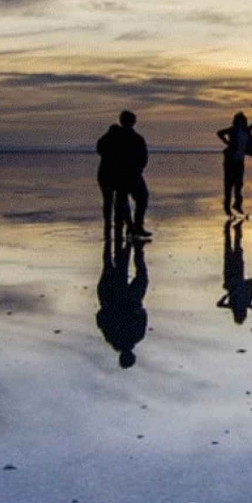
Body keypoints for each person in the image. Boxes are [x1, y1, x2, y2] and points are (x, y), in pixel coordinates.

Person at [96, 230, 149, 368]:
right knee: (114, 265)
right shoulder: (115, 338)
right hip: (120, 299)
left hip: (120, 299)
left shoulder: (135, 336)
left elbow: (143, 315)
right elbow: (100, 319)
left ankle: (135, 248)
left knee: (139, 275)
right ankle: (130, 246)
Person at [95, 109, 150, 238]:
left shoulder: (127, 137)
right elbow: (143, 158)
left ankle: (130, 227)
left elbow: (143, 159)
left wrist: (137, 169)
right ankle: (129, 227)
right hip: (118, 175)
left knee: (122, 201)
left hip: (120, 175)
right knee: (121, 201)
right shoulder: (120, 136)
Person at [216, 102, 252, 217]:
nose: (242, 122)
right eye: (240, 120)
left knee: (239, 184)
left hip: (240, 161)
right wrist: (227, 142)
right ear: (236, 121)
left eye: (243, 120)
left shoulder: (246, 130)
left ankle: (237, 205)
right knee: (229, 184)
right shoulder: (233, 130)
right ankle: (227, 207)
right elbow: (219, 133)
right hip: (230, 161)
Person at [216, 219, 252, 329]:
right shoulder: (242, 305)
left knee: (231, 249)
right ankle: (236, 228)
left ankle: (229, 228)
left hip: (231, 277)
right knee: (236, 249)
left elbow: (219, 304)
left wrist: (228, 295)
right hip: (236, 276)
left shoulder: (234, 305)